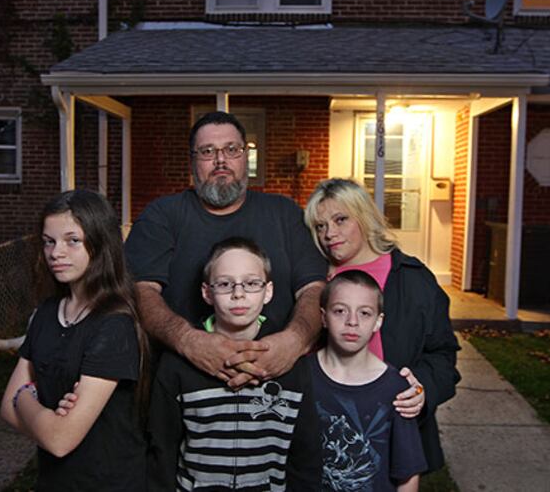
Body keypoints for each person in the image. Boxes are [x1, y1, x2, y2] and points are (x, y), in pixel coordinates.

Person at [125, 111, 327, 389]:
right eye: (208, 151)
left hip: (279, 385)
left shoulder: (285, 213)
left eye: (232, 149)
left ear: (245, 156)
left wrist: (294, 341)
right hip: (184, 386)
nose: (221, 160)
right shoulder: (162, 216)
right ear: (193, 161)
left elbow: (314, 289)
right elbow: (139, 291)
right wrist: (189, 341)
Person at [304, 177, 460, 473]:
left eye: (340, 220)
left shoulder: (411, 279)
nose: (329, 234)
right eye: (320, 226)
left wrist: (422, 390)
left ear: (364, 217)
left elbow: (443, 355)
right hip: (321, 424)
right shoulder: (312, 278)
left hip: (386, 427)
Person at [0, 189, 148, 491]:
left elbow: (59, 440)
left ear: (100, 243)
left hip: (107, 483)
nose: (56, 253)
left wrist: (24, 396)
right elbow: (5, 410)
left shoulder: (114, 325)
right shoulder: (46, 313)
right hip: (54, 482)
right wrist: (46, 416)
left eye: (72, 240)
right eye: (48, 241)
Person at [147, 237, 321, 491]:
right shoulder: (177, 363)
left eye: (251, 283)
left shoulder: (291, 362)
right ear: (207, 293)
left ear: (268, 291)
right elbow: (161, 449)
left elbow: (306, 453)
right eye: (225, 284)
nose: (238, 293)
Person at [312, 270, 427, 491]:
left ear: (378, 322)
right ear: (324, 317)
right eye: (339, 311)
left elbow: (408, 475)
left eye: (364, 313)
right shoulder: (301, 377)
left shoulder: (397, 389)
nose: (352, 321)